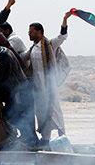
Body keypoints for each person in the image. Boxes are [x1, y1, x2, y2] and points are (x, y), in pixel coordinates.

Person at [21, 11, 72, 140]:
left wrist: (65, 19)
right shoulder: (33, 48)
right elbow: (22, 58)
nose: (29, 34)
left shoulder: (49, 44)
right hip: (38, 87)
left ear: (39, 32)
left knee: (54, 110)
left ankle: (62, 136)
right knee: (42, 112)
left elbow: (62, 36)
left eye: (31, 31)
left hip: (49, 85)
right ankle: (45, 139)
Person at [0, 38, 36, 145]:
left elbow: (0, 76)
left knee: (11, 114)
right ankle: (26, 137)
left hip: (17, 89)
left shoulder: (3, 55)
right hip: (17, 88)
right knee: (15, 113)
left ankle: (27, 136)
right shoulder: (2, 52)